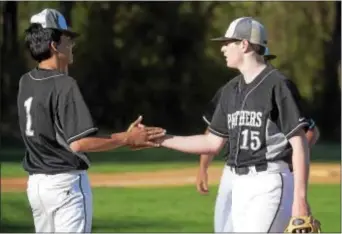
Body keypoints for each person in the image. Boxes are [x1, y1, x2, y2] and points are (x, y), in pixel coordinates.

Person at [154, 17, 312, 232]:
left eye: (228, 42)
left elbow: (299, 142)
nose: (223, 49)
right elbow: (211, 142)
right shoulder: (230, 90)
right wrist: (162, 138)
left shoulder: (278, 85)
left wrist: (300, 199)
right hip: (239, 184)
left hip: (270, 182)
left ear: (244, 44)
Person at [17, 8, 165, 233]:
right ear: (54, 45)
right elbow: (79, 144)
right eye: (68, 39)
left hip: (37, 186)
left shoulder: (25, 82)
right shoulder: (64, 85)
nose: (72, 45)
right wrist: (126, 138)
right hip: (65, 184)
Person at [196, 48, 320, 232]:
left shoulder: (277, 87)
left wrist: (292, 158)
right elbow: (212, 134)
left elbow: (311, 131)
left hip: (268, 173)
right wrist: (203, 167)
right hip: (232, 171)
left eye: (267, 59)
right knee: (223, 229)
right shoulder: (230, 90)